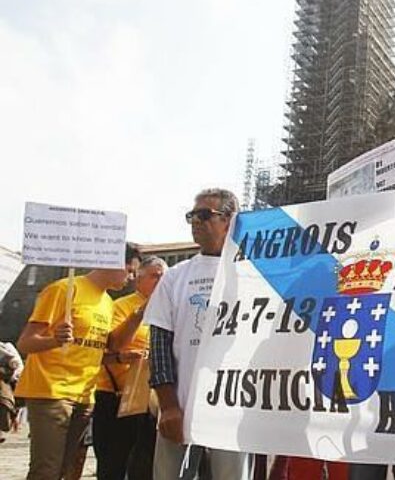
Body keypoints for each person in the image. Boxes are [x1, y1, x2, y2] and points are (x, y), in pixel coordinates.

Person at [144, 188, 251, 480]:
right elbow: (159, 343)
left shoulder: (254, 274)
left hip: (234, 410)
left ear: (229, 220)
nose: (195, 221)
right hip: (181, 407)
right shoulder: (175, 277)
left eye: (205, 215)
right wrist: (168, 407)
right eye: (192, 215)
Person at [15, 244, 138, 480]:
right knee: (46, 470)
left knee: (66, 470)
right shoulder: (63, 290)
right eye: (129, 270)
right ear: (111, 261)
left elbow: (93, 349)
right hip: (52, 392)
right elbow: (25, 343)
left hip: (85, 396)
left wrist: (121, 357)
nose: (131, 278)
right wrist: (54, 339)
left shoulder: (107, 303)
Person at [93, 255, 168, 480]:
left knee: (145, 465)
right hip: (117, 396)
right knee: (113, 463)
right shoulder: (120, 307)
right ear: (139, 279)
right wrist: (141, 312)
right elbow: (113, 344)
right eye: (155, 276)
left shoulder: (169, 308)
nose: (161, 281)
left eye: (165, 276)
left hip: (153, 399)